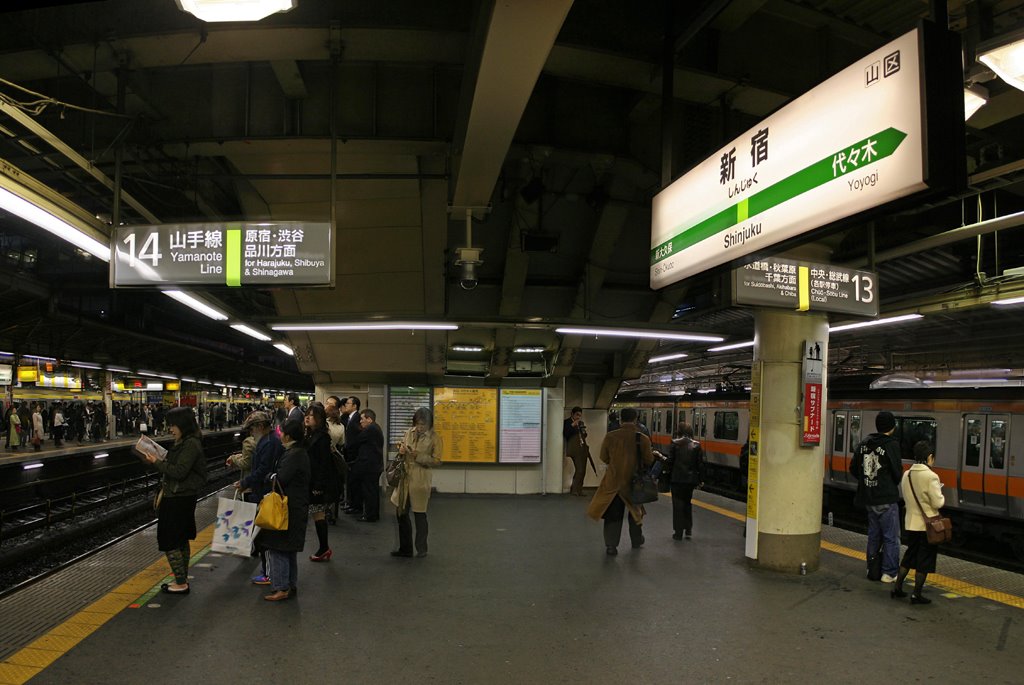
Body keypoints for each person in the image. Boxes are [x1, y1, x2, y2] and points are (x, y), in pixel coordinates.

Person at [142, 406, 207, 595]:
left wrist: (156, 462)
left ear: (183, 425)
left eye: (173, 425)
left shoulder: (190, 444)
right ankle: (182, 579)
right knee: (180, 539)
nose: (170, 428)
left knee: (170, 539)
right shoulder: (185, 441)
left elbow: (179, 472)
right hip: (180, 496)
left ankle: (181, 582)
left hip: (179, 498)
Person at [586, 406, 656, 556]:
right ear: (636, 419)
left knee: (613, 515)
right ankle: (636, 540)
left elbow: (603, 457)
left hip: (613, 482)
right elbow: (649, 460)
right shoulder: (642, 438)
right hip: (634, 482)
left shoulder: (611, 436)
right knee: (636, 513)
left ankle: (611, 546)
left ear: (620, 419)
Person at [254, 418, 310, 602]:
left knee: (278, 547)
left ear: (288, 435)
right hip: (295, 506)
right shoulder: (298, 452)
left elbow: (281, 478)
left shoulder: (294, 454)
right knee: (288, 549)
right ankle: (289, 583)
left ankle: (280, 587)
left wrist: (270, 475)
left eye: (282, 432)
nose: (279, 435)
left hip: (287, 508)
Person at [850, 411, 903, 584]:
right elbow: (897, 473)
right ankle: (889, 572)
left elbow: (853, 468)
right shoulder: (892, 444)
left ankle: (872, 569)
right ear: (892, 427)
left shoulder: (865, 443)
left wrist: (867, 481)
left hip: (869, 498)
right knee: (891, 537)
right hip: (886, 498)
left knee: (873, 535)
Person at [892, 440, 945, 604]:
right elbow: (938, 503)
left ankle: (898, 588)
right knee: (925, 558)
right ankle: (916, 594)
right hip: (927, 525)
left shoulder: (906, 474)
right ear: (929, 457)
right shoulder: (931, 476)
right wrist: (941, 494)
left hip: (910, 523)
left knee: (910, 555)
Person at [238, 410, 284, 586]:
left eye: (251, 429)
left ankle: (268, 574)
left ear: (259, 426)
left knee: (266, 537)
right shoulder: (270, 440)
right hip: (263, 492)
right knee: (265, 537)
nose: (250, 433)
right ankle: (268, 572)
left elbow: (262, 469)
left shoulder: (268, 443)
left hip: (265, 495)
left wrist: (246, 481)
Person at [390, 407, 443, 558]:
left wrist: (418, 456)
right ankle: (405, 548)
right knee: (401, 513)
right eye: (418, 424)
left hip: (420, 477)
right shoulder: (409, 432)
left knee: (420, 514)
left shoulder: (435, 438)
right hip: (405, 477)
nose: (419, 427)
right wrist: (400, 450)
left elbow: (437, 461)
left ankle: (421, 548)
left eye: (423, 424)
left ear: (429, 424)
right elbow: (402, 449)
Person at [305, 403, 340, 561]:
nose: (307, 417)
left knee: (318, 515)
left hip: (317, 484)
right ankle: (323, 548)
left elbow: (323, 464)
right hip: (312, 482)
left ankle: (324, 548)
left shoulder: (322, 437)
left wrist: (318, 487)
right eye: (307, 414)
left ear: (319, 419)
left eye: (311, 416)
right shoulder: (311, 434)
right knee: (317, 515)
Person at [665, 423, 704, 540]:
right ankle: (688, 530)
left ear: (679, 431)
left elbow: (670, 462)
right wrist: (701, 480)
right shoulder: (697, 445)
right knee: (687, 504)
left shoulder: (674, 443)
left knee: (678, 505)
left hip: (677, 480)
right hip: (690, 481)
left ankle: (678, 532)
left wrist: (661, 459)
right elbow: (700, 465)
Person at [348, 408, 384, 523]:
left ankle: (370, 515)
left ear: (369, 419)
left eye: (362, 419)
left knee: (369, 491)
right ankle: (372, 514)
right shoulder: (375, 428)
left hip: (369, 466)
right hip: (374, 465)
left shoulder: (371, 429)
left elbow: (356, 441)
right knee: (372, 491)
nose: (360, 422)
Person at [563, 406, 591, 496]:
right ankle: (574, 489)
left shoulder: (581, 423)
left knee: (583, 470)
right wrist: (573, 425)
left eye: (580, 415)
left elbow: (584, 435)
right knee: (579, 469)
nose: (578, 417)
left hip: (582, 448)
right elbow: (566, 433)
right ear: (572, 414)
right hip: (574, 448)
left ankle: (579, 489)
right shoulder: (567, 422)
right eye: (577, 415)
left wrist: (583, 430)